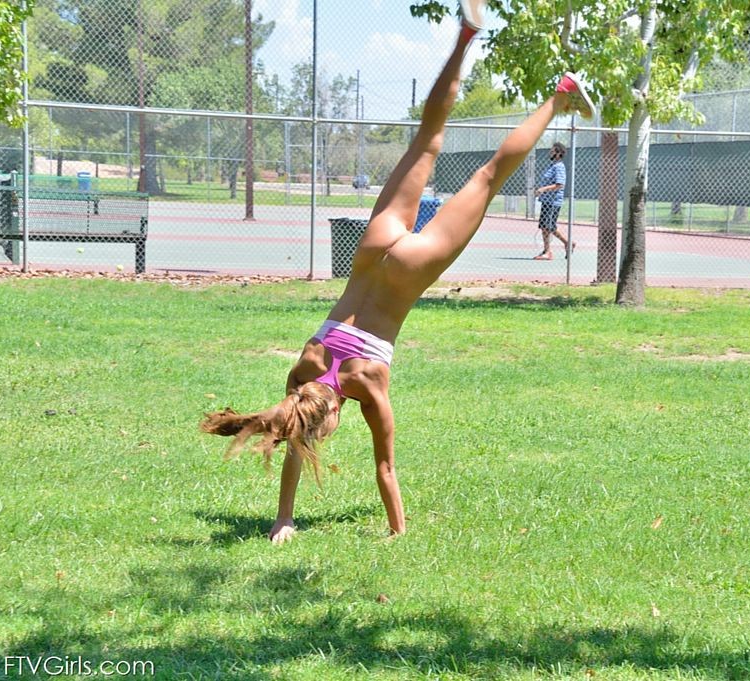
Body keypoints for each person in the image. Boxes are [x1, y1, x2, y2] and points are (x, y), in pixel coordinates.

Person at [200, 0, 595, 544]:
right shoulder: (304, 369)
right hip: (373, 250)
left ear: (328, 414)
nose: (322, 435)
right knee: (426, 139)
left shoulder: (364, 386)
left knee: (486, 177)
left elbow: (383, 470)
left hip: (409, 272)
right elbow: (293, 427)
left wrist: (395, 534)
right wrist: (282, 516)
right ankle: (463, 37)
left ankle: (560, 95)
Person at [533, 142, 575, 260]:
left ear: (558, 154)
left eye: (552, 152)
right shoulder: (552, 165)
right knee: (544, 226)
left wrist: (543, 189)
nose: (550, 153)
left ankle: (567, 243)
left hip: (553, 202)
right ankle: (547, 251)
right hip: (546, 201)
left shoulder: (559, 167)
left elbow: (559, 185)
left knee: (549, 226)